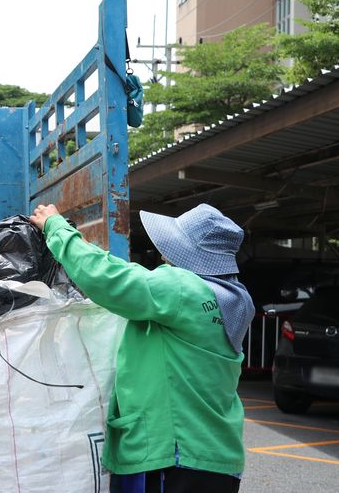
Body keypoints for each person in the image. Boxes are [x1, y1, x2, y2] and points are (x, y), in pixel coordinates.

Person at [29, 202, 254, 493]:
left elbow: (107, 278)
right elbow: (130, 277)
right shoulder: (235, 299)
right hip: (218, 458)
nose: (164, 254)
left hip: (173, 456)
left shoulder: (183, 288)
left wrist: (56, 227)